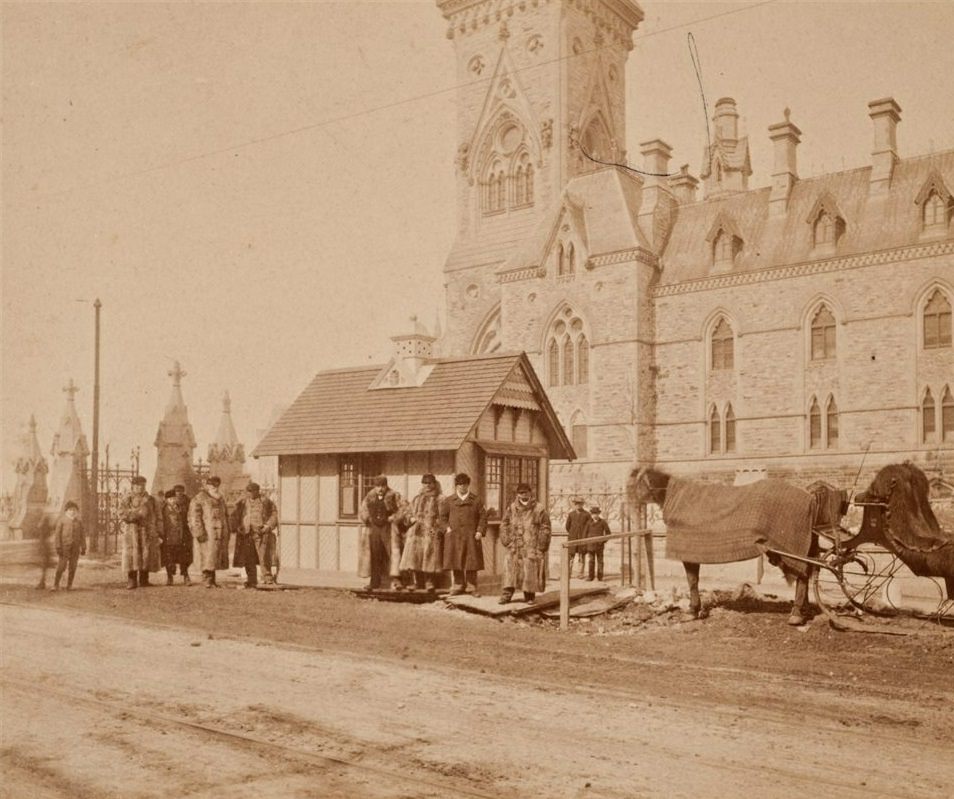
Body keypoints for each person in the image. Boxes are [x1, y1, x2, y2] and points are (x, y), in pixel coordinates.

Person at [499, 482, 551, 604]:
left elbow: (545, 528)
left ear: (530, 493)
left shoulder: (539, 509)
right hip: (514, 545)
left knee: (529, 570)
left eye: (525, 492)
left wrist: (541, 545)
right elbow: (504, 524)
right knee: (510, 569)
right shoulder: (511, 508)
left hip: (531, 545)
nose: (523, 495)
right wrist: (507, 541)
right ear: (517, 494)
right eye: (520, 493)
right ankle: (506, 595)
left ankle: (529, 596)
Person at [440, 473, 486, 596]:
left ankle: (471, 587)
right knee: (456, 560)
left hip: (471, 536)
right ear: (456, 486)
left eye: (464, 484)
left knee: (471, 561)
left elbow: (483, 517)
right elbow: (442, 518)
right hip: (454, 536)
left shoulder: (476, 500)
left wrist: (479, 531)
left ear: (468, 485)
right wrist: (447, 529)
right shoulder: (449, 501)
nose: (462, 487)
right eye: (459, 484)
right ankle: (458, 585)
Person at [398, 474, 444, 591]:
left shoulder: (440, 498)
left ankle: (429, 582)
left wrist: (437, 526)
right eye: (425, 483)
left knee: (430, 555)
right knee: (414, 556)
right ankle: (416, 582)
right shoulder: (417, 498)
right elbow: (408, 512)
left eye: (430, 483)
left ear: (434, 484)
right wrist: (410, 518)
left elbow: (444, 516)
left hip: (431, 531)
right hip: (416, 531)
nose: (427, 485)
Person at [231, 482, 278, 588]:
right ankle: (251, 580)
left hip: (261, 533)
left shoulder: (265, 502)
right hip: (246, 534)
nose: (251, 493)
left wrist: (268, 526)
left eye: (253, 491)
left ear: (258, 491)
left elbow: (274, 514)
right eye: (249, 491)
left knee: (264, 556)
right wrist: (237, 526)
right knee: (248, 557)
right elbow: (234, 515)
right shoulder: (242, 503)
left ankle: (268, 579)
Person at [359, 476, 401, 591]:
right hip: (374, 529)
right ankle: (374, 582)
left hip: (389, 528)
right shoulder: (369, 497)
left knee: (392, 553)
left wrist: (393, 518)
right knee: (375, 554)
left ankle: (396, 581)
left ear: (386, 486)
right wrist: (367, 518)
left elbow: (403, 509)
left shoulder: (394, 495)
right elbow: (363, 510)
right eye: (378, 486)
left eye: (383, 486)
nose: (380, 489)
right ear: (375, 487)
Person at [188, 475, 231, 588]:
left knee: (214, 556)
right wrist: (199, 532)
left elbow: (225, 515)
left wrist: (227, 529)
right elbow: (194, 517)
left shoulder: (220, 498)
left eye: (216, 485)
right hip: (207, 533)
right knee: (207, 555)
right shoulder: (199, 498)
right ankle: (206, 579)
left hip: (219, 532)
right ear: (207, 485)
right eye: (212, 485)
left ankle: (212, 580)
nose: (214, 487)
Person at [120, 475, 161, 589]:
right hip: (132, 530)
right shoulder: (127, 498)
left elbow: (157, 515)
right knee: (132, 554)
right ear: (133, 486)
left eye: (142, 485)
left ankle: (144, 579)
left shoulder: (151, 499)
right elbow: (121, 512)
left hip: (147, 530)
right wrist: (136, 515)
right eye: (137, 486)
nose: (140, 488)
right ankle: (131, 580)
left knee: (146, 554)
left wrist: (157, 530)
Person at [159, 488, 193, 585]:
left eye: (174, 498)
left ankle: (186, 576)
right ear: (166, 500)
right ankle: (170, 577)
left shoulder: (182, 508)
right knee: (169, 559)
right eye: (170, 499)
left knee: (184, 558)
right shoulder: (163, 509)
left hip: (181, 537)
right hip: (168, 538)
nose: (173, 500)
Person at [51, 501, 85, 590]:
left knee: (73, 567)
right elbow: (57, 535)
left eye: (74, 510)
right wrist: (58, 547)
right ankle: (55, 584)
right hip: (64, 548)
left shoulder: (79, 522)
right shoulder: (62, 521)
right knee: (61, 566)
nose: (72, 512)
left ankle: (69, 585)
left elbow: (82, 535)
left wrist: (83, 546)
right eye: (70, 510)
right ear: (66, 511)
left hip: (75, 548)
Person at [565, 496, 589, 579]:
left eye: (580, 504)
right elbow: (567, 526)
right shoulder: (571, 514)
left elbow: (588, 526)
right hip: (572, 538)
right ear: (574, 505)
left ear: (583, 505)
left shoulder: (587, 514)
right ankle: (568, 573)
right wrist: (573, 533)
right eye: (577, 504)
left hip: (583, 538)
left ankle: (580, 574)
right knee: (570, 557)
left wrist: (584, 535)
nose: (579, 505)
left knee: (581, 557)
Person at [584, 505, 611, 582]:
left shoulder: (603, 522)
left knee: (600, 561)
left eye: (596, 513)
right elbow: (585, 534)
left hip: (599, 546)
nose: (595, 515)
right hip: (591, 545)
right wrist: (586, 543)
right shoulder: (588, 523)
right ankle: (590, 576)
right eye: (593, 514)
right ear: (591, 514)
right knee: (591, 561)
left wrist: (603, 541)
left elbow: (608, 533)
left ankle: (600, 577)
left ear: (599, 514)